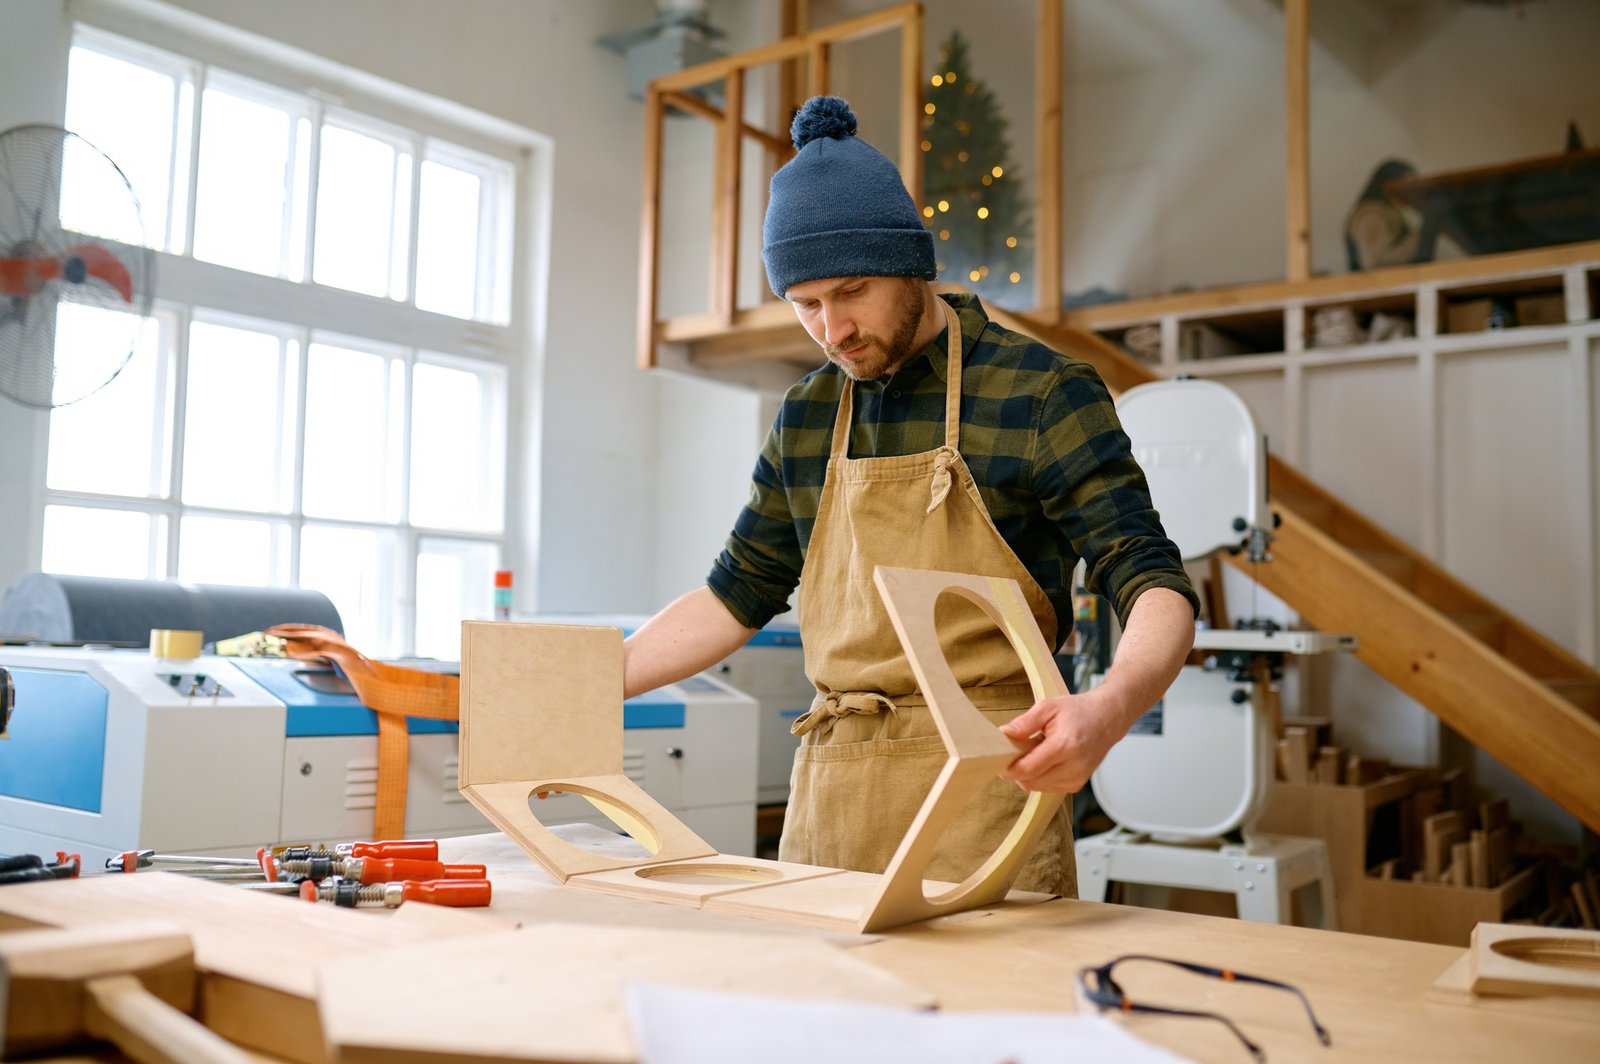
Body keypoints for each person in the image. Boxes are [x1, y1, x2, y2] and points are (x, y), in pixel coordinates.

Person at [621, 95, 1196, 897]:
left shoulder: (1041, 391)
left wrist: (1108, 708)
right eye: (806, 304)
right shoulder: (809, 414)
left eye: (853, 290)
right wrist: (588, 684)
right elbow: (735, 594)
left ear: (913, 267)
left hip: (993, 792)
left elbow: (1149, 576)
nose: (833, 329)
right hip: (832, 801)